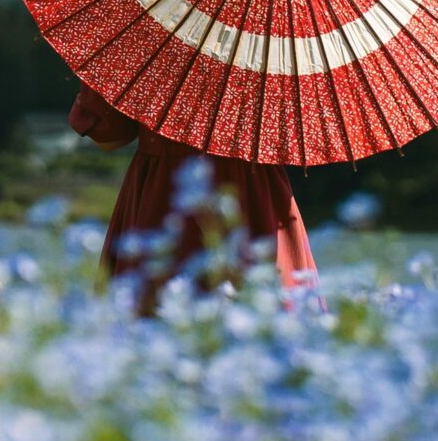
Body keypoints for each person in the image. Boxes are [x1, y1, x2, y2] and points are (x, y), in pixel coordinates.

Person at [69, 83, 314, 310]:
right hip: (254, 188)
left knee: (156, 325)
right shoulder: (279, 43)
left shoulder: (153, 35)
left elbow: (108, 134)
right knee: (267, 321)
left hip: (169, 190)